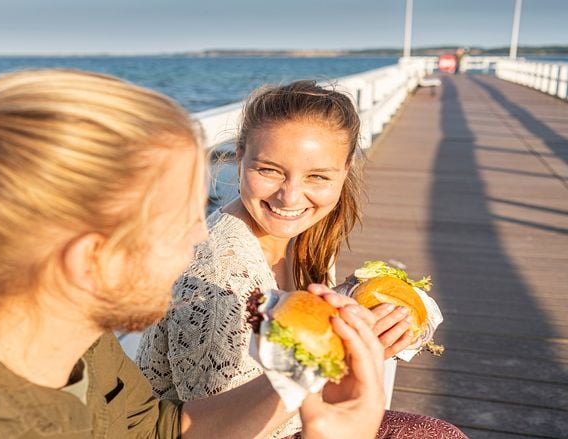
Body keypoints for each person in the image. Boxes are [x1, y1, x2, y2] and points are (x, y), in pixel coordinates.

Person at [0, 71, 388, 438]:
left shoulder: (66, 331)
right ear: (90, 259)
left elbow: (159, 429)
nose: (199, 235)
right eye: (182, 214)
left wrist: (296, 381)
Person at [136, 80, 467, 438]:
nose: (289, 198)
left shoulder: (300, 235)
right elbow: (226, 427)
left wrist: (379, 325)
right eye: (269, 170)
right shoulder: (220, 278)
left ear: (346, 169)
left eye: (317, 176)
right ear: (240, 155)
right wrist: (345, 358)